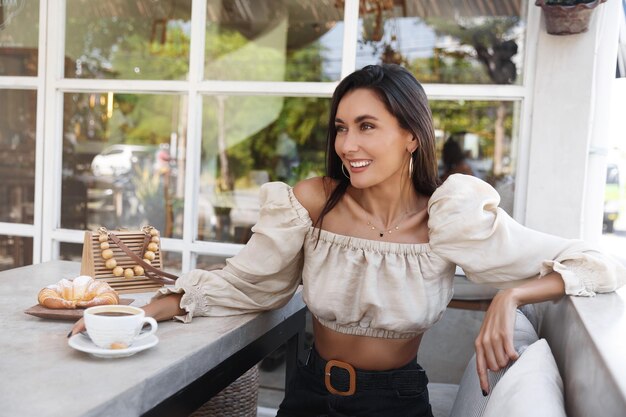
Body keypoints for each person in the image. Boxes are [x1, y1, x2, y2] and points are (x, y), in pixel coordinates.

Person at [71, 64, 625, 417]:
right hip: (309, 396)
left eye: (366, 126)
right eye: (340, 127)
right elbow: (248, 284)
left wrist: (512, 295)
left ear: (411, 136)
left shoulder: (448, 217)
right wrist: (139, 311)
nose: (347, 143)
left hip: (398, 404)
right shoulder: (314, 201)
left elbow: (596, 261)